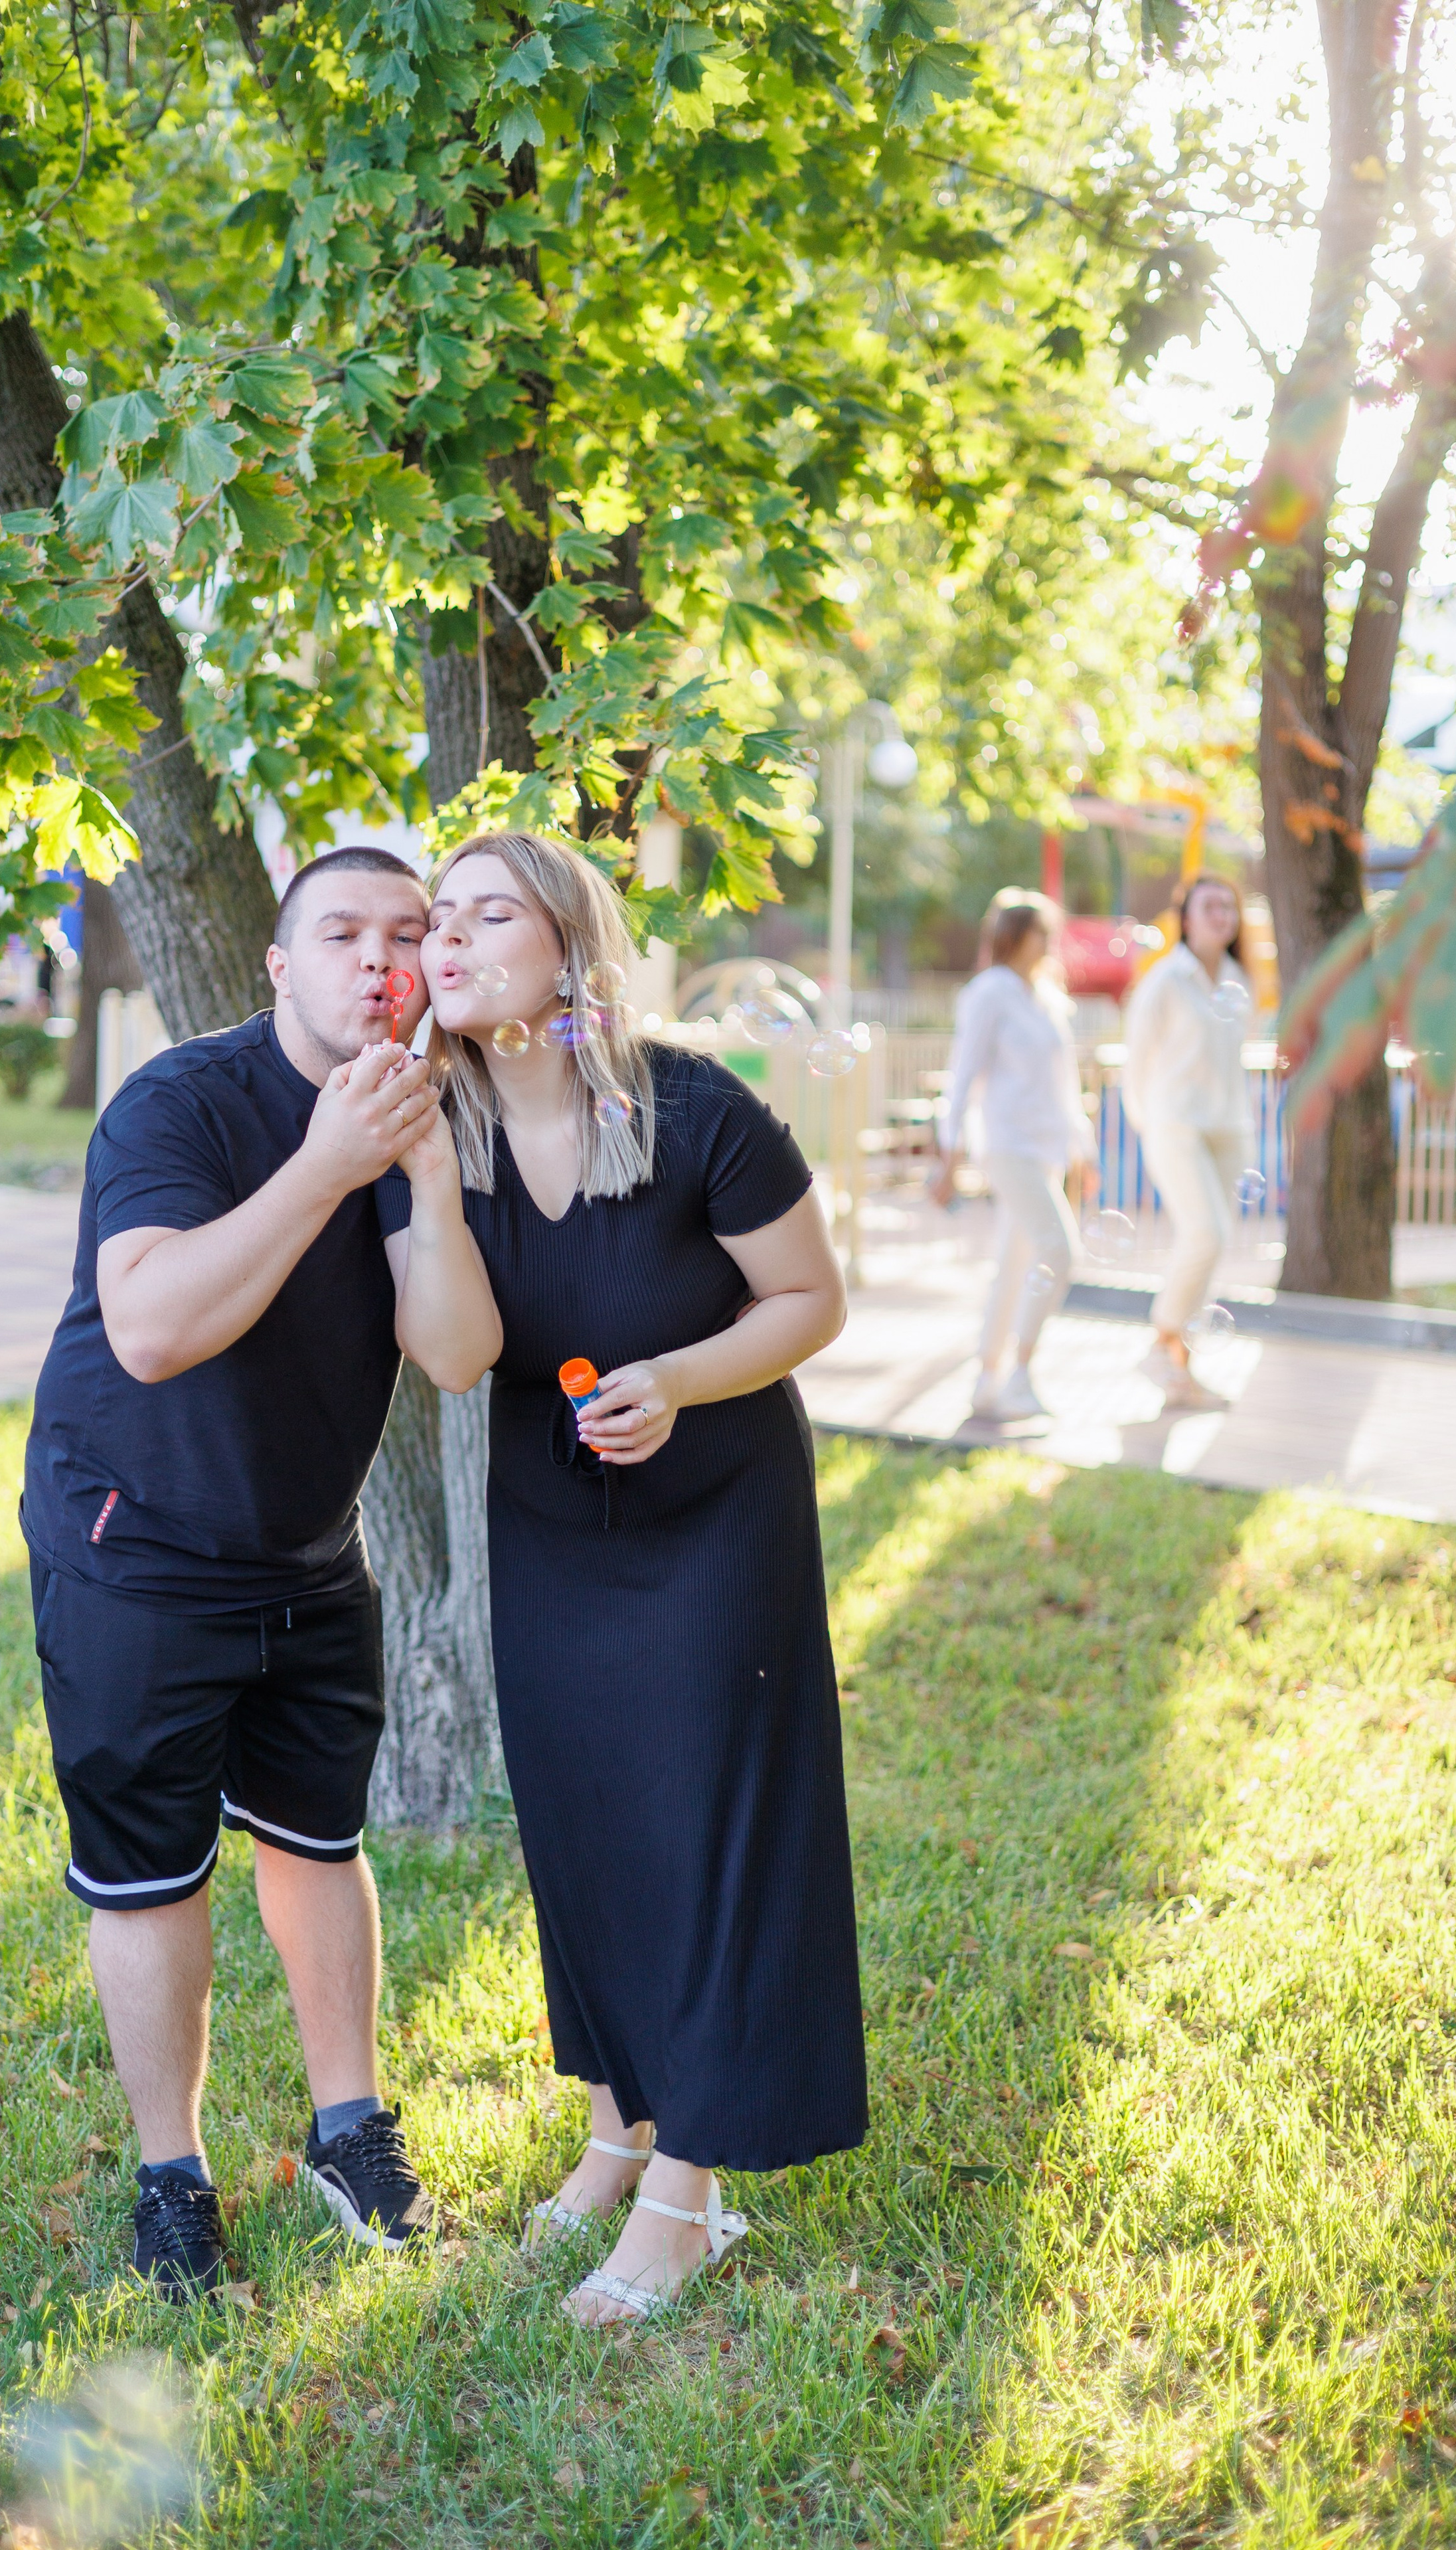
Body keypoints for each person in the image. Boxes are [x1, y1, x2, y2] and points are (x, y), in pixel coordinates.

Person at [376, 830, 868, 2326]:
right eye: (432, 920)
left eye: (483, 913)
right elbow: (456, 1360)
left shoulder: (700, 1112)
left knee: (703, 1828)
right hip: (548, 1523)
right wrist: (424, 1186)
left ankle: (686, 2196)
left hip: (716, 1519)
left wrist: (676, 1379)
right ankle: (614, 2129)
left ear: (567, 943)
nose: (446, 940)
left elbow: (807, 1302)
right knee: (583, 1824)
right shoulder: (431, 1130)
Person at [21, 847, 445, 2300]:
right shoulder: (180, 1103)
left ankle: (348, 2130)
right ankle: (172, 2179)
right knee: (149, 1874)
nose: (376, 960)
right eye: (341, 932)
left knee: (319, 1840)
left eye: (406, 933)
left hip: (308, 1546)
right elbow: (148, 1330)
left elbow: (451, 1346)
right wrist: (329, 1166)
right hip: (133, 1542)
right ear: (278, 965)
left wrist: (418, 1166)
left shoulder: (413, 1111)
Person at [928, 893, 1095, 1422]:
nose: (1049, 944)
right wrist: (949, 1156)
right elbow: (963, 1077)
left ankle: (986, 1379)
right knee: (1058, 1250)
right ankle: (1019, 1374)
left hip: (1045, 1147)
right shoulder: (990, 993)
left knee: (1015, 1264)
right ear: (1017, 937)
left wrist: (1081, 1149)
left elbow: (1065, 1086)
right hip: (1008, 1145)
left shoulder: (1045, 997)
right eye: (1041, 933)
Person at [1122, 871, 1254, 1410]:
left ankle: (1180, 1370)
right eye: (1210, 906)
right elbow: (1136, 1063)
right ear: (1188, 917)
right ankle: (1162, 1339)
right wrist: (1148, 1124)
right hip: (1175, 1127)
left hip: (1228, 1130)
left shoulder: (1237, 977)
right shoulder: (1165, 979)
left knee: (1213, 1245)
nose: (1222, 914)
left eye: (1229, 906)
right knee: (1206, 1233)